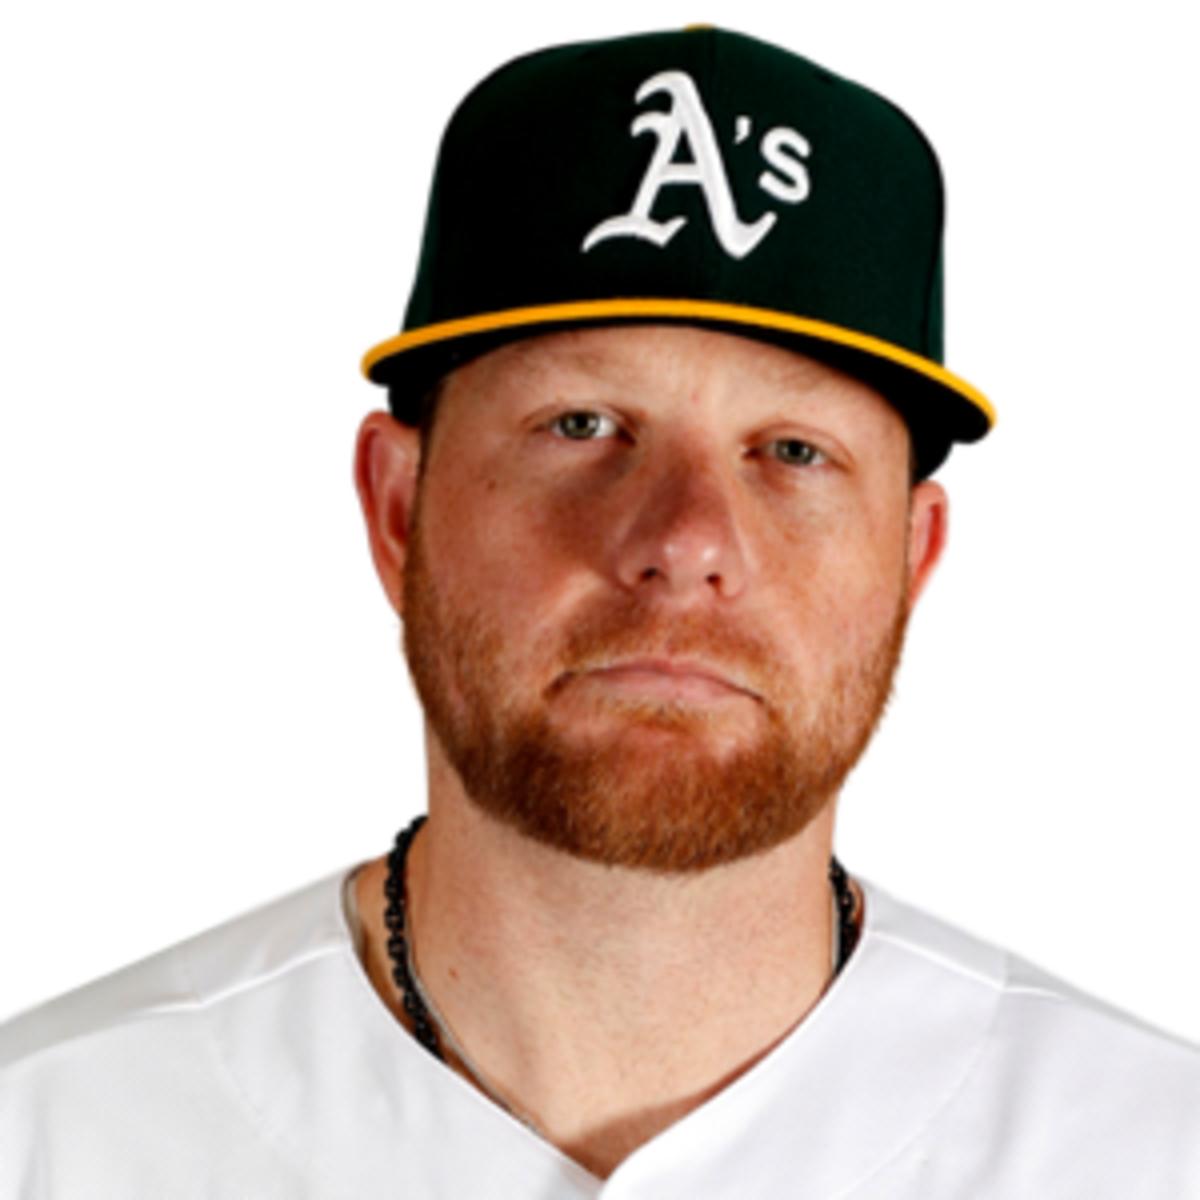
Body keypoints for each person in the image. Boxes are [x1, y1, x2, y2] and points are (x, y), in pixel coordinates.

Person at [2, 25, 1197, 1197]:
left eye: (793, 450)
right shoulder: (52, 1138)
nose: (686, 541)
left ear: (910, 554)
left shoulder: (1149, 1155)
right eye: (582, 425)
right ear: (400, 507)